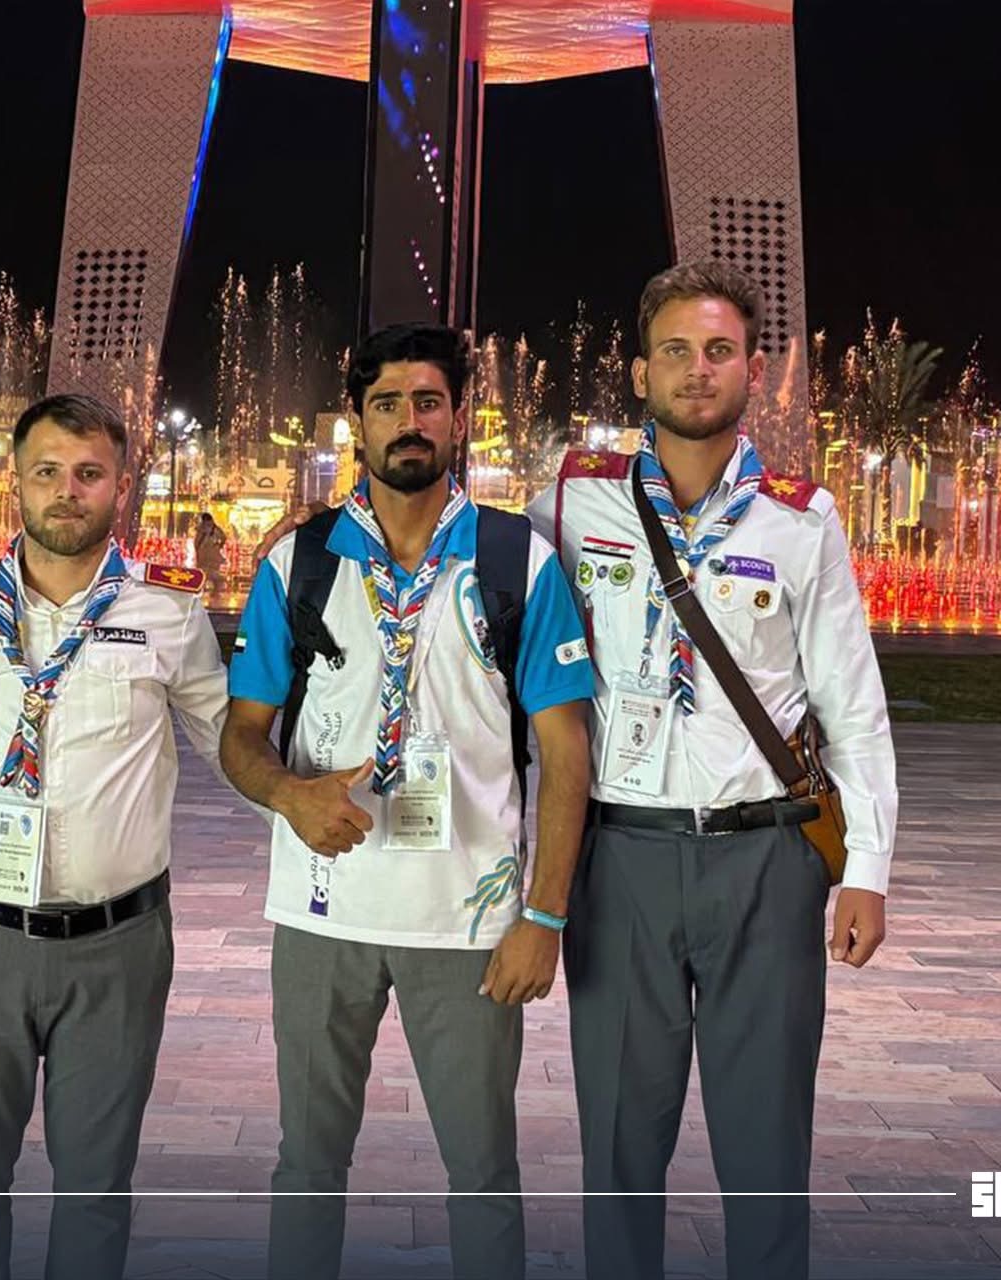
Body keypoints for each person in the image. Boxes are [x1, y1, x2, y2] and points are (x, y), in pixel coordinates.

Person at [523, 260, 898, 1280]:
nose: (699, 369)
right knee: (617, 1138)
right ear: (639, 369)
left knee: (767, 1139)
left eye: (720, 350)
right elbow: (486, 596)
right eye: (677, 350)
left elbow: (851, 704)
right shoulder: (573, 501)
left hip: (764, 860)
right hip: (620, 858)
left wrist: (867, 867)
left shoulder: (801, 519)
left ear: (754, 371)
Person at [221, 323, 594, 1280]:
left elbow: (566, 752)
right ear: (359, 421)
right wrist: (289, 796)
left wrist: (544, 917)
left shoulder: (516, 559)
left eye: (429, 401)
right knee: (307, 1166)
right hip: (323, 913)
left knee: (484, 1172)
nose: (409, 421)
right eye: (387, 404)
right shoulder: (302, 562)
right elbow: (240, 734)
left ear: (460, 418)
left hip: (468, 923)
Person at [0, 392, 228, 1280]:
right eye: (47, 471)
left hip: (117, 945)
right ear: (15, 480)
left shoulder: (167, 610)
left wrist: (308, 795)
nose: (67, 490)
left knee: (94, 1189)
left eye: (89, 473)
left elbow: (230, 742)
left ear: (122, 485)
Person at [194, 510, 227, 598]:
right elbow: (197, 542)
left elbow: (223, 537)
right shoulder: (204, 529)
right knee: (206, 573)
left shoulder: (211, 529)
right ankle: (209, 591)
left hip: (210, 554)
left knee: (210, 573)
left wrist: (218, 545)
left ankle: (213, 591)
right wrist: (218, 545)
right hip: (206, 554)